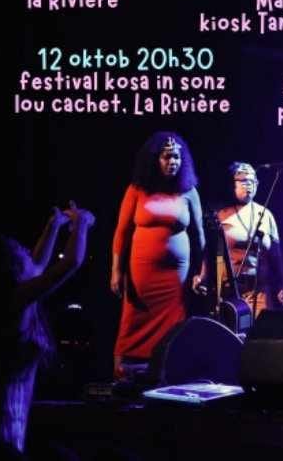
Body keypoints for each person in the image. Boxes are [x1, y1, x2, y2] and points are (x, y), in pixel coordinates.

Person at [0, 204, 94, 454]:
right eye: (21, 251)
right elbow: (70, 263)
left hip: (9, 413)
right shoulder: (14, 299)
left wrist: (54, 225)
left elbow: (37, 265)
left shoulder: (17, 296)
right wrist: (82, 223)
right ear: (10, 267)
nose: (28, 251)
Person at [111, 131, 205, 380]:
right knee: (132, 319)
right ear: (155, 159)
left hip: (175, 276)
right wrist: (116, 271)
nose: (172, 161)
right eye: (167, 157)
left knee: (174, 322)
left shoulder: (189, 192)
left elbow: (200, 237)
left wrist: (202, 271)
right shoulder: (137, 190)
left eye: (176, 157)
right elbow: (121, 232)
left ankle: (167, 373)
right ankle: (122, 375)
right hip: (141, 271)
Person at [210, 162, 283, 317]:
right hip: (230, 292)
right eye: (243, 181)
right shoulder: (221, 214)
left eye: (252, 181)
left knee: (262, 330)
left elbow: (276, 255)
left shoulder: (265, 214)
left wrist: (282, 285)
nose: (249, 185)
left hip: (259, 292)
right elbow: (210, 253)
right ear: (233, 184)